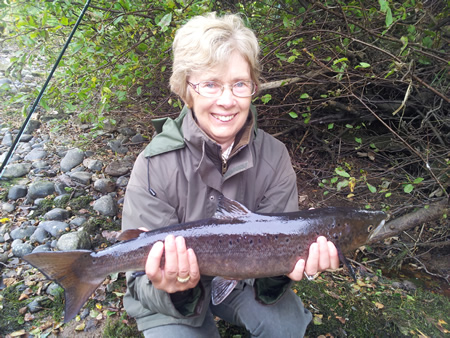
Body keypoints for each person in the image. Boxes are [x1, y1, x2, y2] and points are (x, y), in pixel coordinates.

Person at [121, 12, 339, 337]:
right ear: (187, 91)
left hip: (243, 280)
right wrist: (175, 288)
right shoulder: (154, 164)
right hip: (169, 295)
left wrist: (286, 270)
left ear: (253, 88)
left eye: (239, 84)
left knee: (288, 326)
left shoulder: (275, 156)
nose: (227, 100)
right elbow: (139, 282)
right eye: (210, 84)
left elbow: (275, 262)